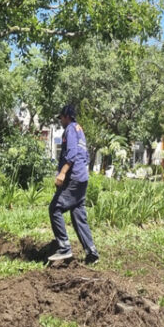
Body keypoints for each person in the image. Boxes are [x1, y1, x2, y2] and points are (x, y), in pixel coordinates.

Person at [47, 104, 99, 264]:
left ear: (67, 116)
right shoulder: (80, 131)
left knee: (55, 208)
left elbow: (72, 153)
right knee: (78, 215)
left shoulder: (70, 129)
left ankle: (64, 248)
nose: (60, 121)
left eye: (61, 118)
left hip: (74, 177)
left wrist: (62, 173)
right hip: (82, 177)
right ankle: (92, 252)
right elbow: (86, 155)